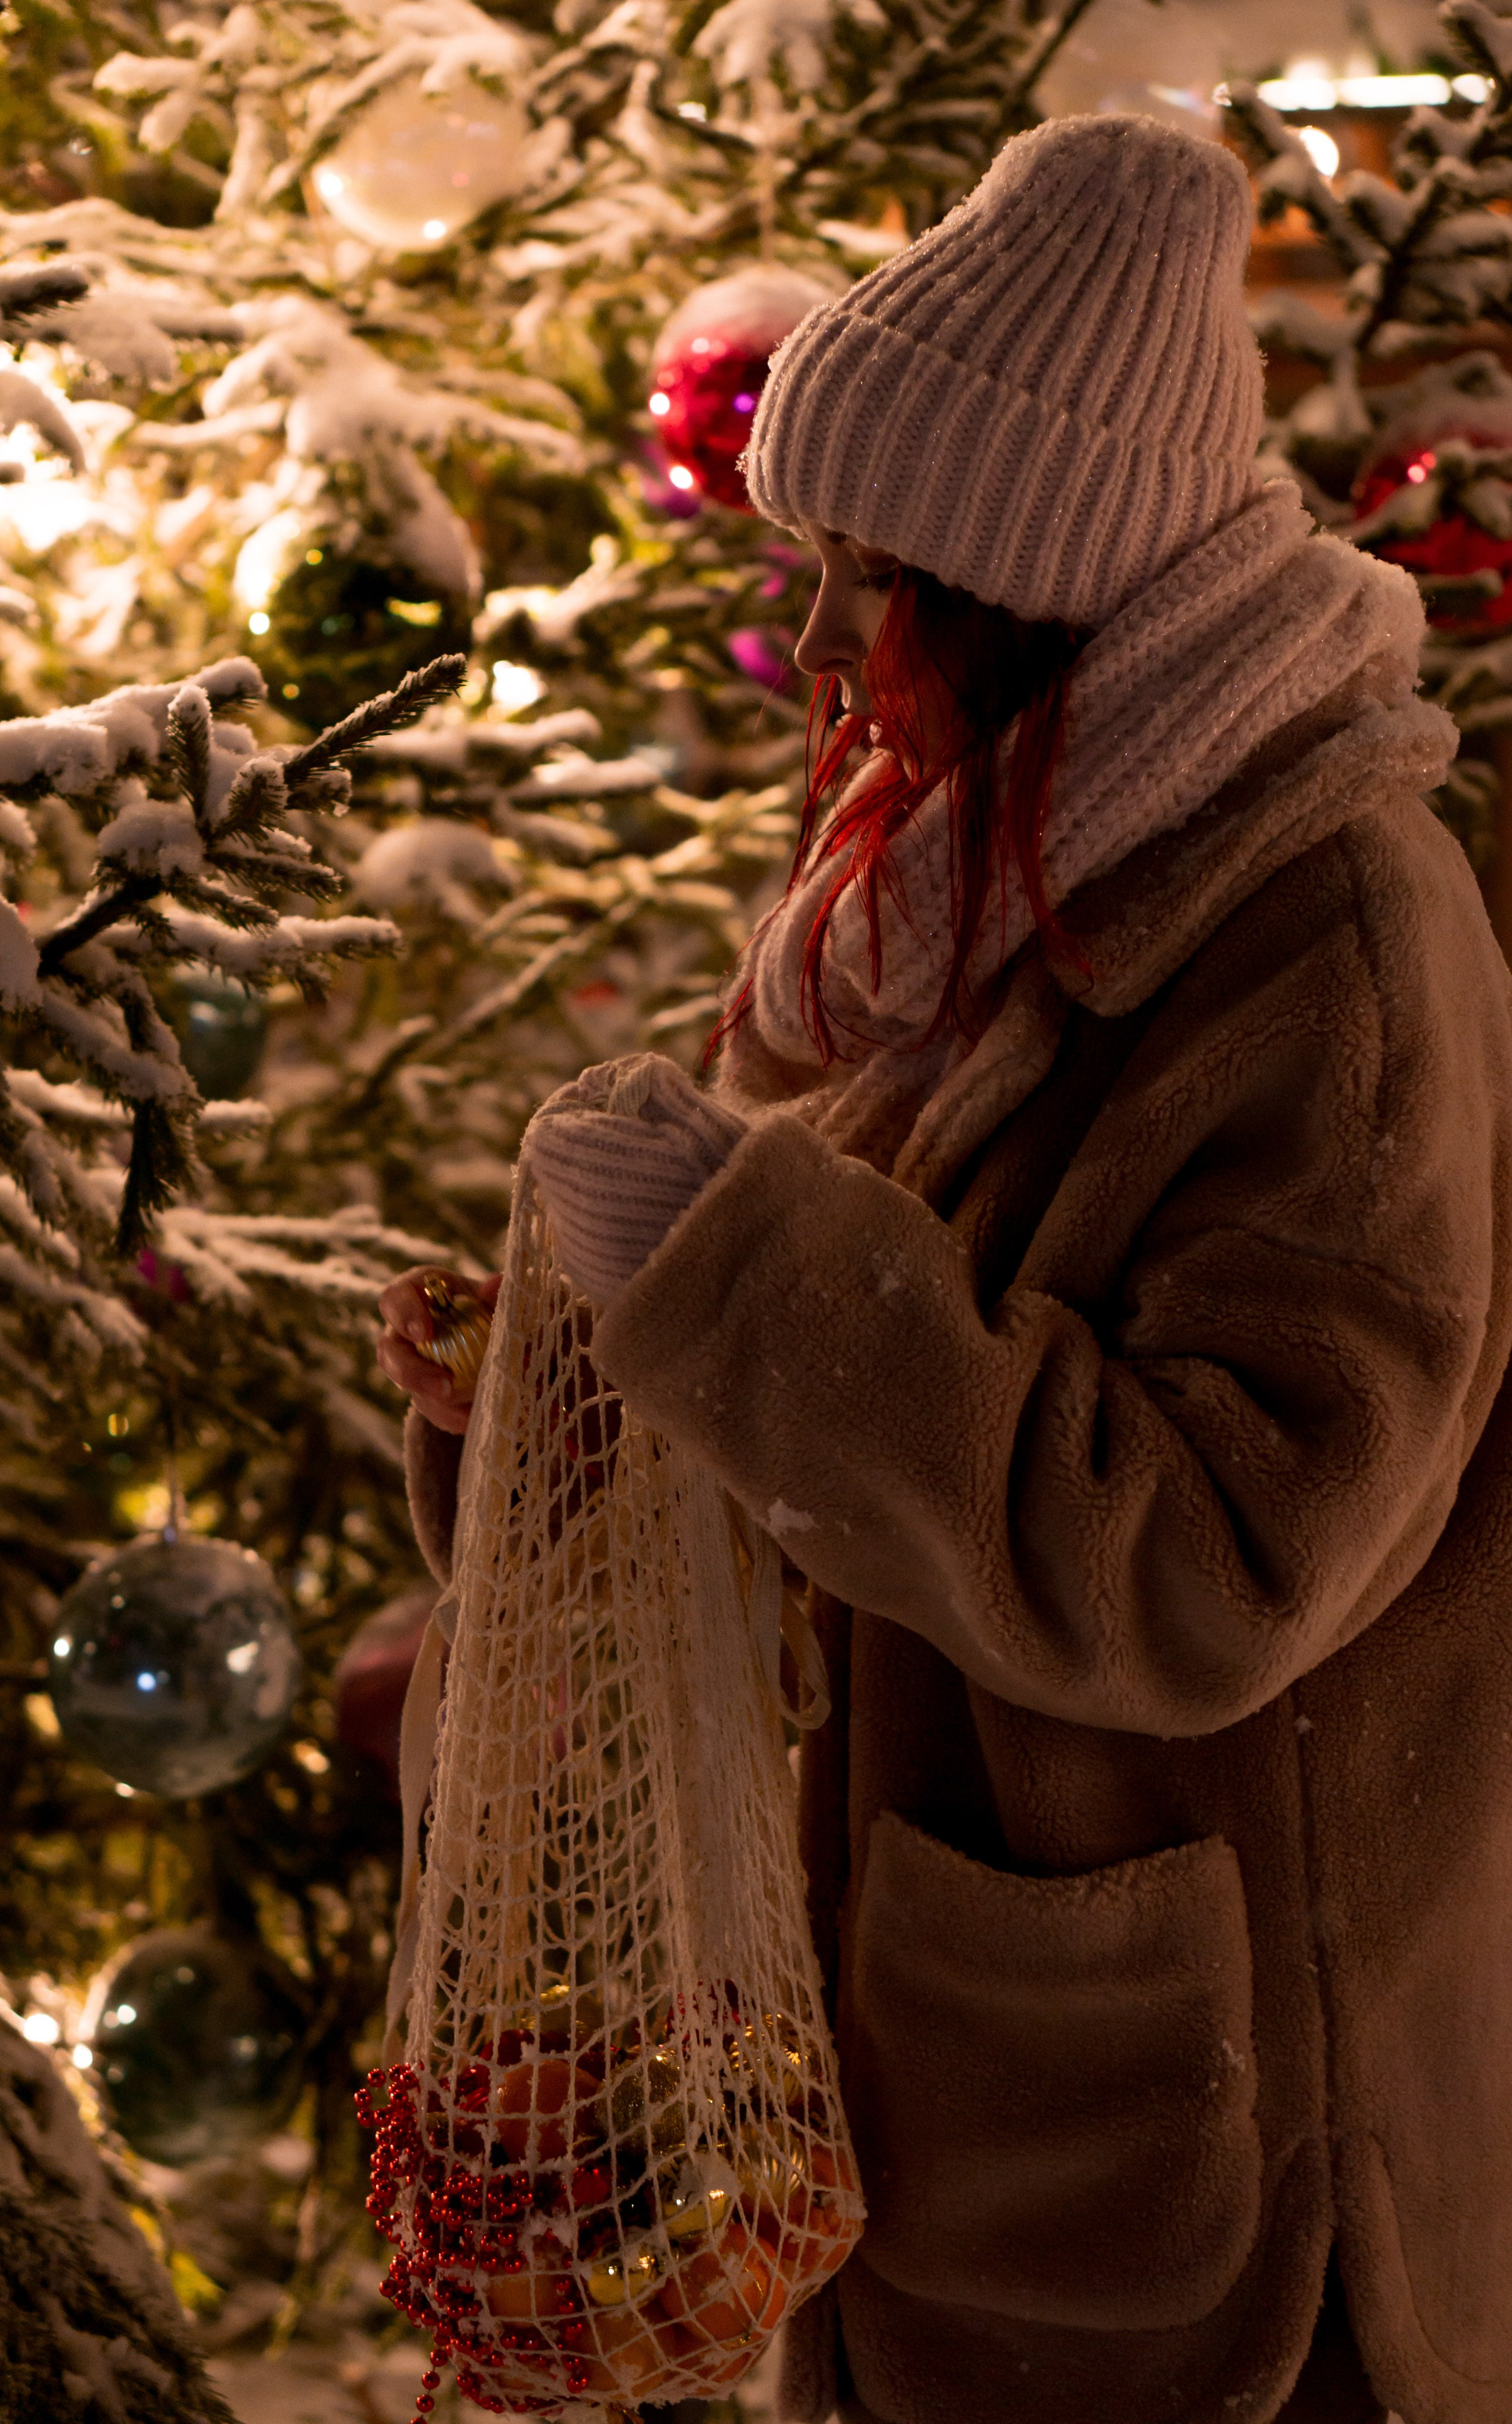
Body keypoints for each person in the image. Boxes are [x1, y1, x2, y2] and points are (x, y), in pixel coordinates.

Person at [377, 114, 1512, 2424]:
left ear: (1032, 597)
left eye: (873, 576)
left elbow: (1214, 1564)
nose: (818, 637)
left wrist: (741, 1267)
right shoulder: (960, 897)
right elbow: (832, 1442)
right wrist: (559, 1399)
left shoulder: (1332, 933)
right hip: (954, 2086)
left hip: (1234, 2189)